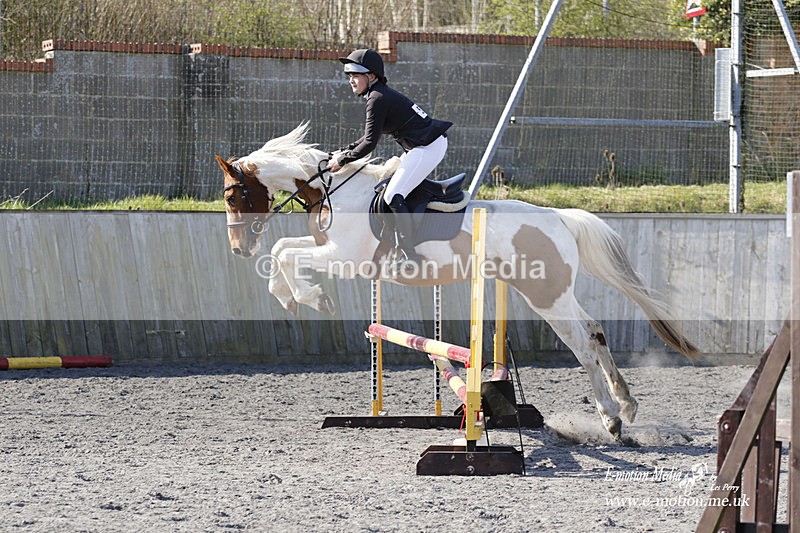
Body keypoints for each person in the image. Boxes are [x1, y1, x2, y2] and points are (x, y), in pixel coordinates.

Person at [328, 48, 452, 269]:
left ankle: (410, 255)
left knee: (393, 195)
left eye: (356, 75)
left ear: (372, 76)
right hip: (420, 146)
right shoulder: (377, 95)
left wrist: (343, 160)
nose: (351, 81)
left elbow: (369, 145)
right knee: (387, 189)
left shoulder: (377, 99)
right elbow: (367, 137)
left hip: (427, 147)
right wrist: (343, 150)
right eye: (349, 76)